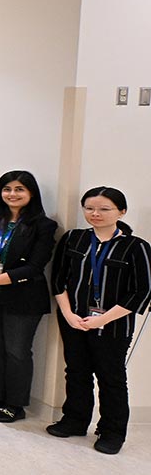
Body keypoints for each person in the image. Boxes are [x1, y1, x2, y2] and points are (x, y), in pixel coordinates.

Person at [47, 187, 151, 455]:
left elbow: (142, 291)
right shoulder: (74, 239)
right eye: (90, 208)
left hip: (113, 324)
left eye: (105, 209)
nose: (95, 214)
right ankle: (75, 420)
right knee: (76, 371)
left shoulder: (135, 247)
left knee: (111, 377)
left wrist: (101, 319)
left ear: (121, 212)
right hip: (73, 319)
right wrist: (69, 315)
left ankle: (112, 431)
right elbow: (59, 279)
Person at [0, 171, 56, 423]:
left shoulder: (43, 225)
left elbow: (35, 267)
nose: (12, 194)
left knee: (17, 350)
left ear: (31, 193)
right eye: (7, 189)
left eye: (19, 189)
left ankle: (15, 404)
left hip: (24, 298)